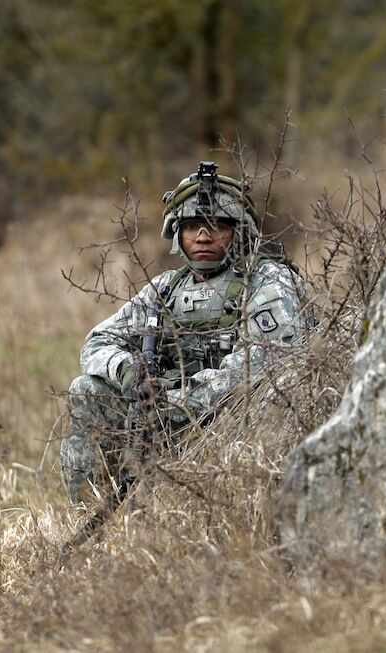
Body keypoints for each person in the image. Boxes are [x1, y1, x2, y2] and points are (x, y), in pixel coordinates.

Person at [60, 162, 313, 505]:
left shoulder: (268, 279)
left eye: (216, 226)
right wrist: (128, 372)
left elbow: (268, 362)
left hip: (236, 422)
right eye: (192, 226)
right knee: (86, 390)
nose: (203, 236)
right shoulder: (165, 289)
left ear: (239, 231)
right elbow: (98, 342)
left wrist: (179, 403)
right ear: (177, 233)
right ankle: (91, 510)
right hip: (165, 417)